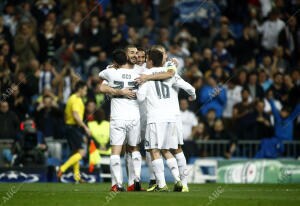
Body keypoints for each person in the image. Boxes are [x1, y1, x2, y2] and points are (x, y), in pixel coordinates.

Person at [137, 49, 196, 192]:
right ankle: (184, 184)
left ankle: (162, 184)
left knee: (154, 149)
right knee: (175, 149)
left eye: (147, 59)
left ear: (150, 61)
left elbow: (140, 98)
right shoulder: (171, 73)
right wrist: (192, 96)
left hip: (155, 118)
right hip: (172, 118)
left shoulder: (146, 76)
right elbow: (190, 88)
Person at [99, 49, 140, 192]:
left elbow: (101, 85)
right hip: (134, 115)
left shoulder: (110, 72)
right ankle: (134, 184)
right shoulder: (139, 72)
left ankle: (117, 185)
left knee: (116, 151)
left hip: (118, 116)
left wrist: (118, 90)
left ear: (115, 61)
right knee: (134, 149)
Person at [57, 81, 91, 183]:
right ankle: (62, 168)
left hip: (69, 127)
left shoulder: (72, 98)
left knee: (75, 152)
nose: (86, 92)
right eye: (85, 90)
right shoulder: (76, 99)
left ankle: (77, 176)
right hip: (73, 128)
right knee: (82, 152)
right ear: (80, 89)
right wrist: (85, 128)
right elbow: (76, 115)